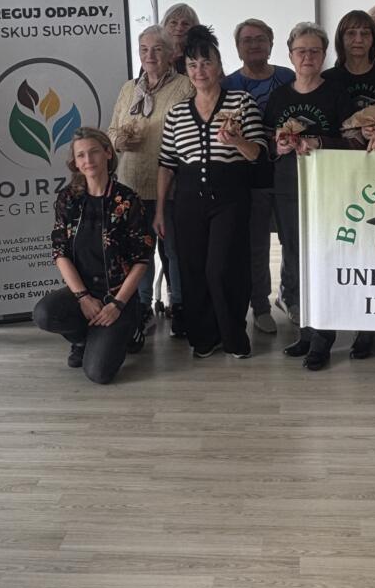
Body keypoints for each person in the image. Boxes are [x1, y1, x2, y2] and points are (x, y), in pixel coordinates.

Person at [155, 26, 266, 359]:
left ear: (219, 67)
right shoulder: (177, 113)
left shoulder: (241, 102)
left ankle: (233, 335)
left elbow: (258, 154)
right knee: (192, 269)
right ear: (186, 70)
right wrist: (160, 210)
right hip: (188, 200)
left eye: (206, 63)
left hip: (230, 197)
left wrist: (237, 141)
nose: (200, 70)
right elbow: (166, 165)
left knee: (222, 268)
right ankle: (204, 336)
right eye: (193, 65)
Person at [264, 22, 355, 371]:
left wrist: (319, 142)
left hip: (328, 190)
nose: (307, 57)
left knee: (323, 260)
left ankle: (323, 336)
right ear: (290, 55)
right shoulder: (279, 97)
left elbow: (355, 141)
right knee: (295, 258)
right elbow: (266, 143)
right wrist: (279, 145)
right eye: (301, 51)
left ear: (324, 55)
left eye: (314, 51)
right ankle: (305, 329)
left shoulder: (338, 94)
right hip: (288, 188)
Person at [32, 129, 152, 384]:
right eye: (81, 155)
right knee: (44, 314)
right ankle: (81, 340)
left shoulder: (128, 200)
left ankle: (131, 331)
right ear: (75, 163)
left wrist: (117, 305)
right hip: (83, 292)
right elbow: (60, 252)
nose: (88, 160)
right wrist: (83, 298)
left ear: (108, 153)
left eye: (94, 152)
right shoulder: (68, 198)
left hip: (118, 296)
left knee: (99, 374)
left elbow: (142, 259)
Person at [324, 9, 375, 359]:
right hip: (342, 172)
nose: (358, 40)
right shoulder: (329, 77)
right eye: (350, 33)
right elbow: (329, 125)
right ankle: (339, 314)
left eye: (365, 33)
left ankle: (368, 325)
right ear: (340, 39)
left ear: (374, 39)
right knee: (344, 244)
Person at [107, 24, 194, 342]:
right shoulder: (129, 88)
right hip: (130, 183)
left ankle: (180, 305)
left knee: (174, 250)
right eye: (144, 49)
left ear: (172, 53)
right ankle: (142, 306)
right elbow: (111, 131)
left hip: (170, 185)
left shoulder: (185, 86)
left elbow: (190, 132)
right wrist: (119, 141)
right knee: (138, 252)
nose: (150, 55)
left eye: (157, 49)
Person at [222, 18, 296, 334]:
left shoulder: (288, 77)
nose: (254, 45)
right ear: (237, 47)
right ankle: (260, 305)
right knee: (256, 245)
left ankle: (290, 296)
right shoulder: (228, 85)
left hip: (289, 172)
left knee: (292, 240)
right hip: (249, 176)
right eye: (247, 40)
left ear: (271, 43)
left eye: (260, 39)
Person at [161, 3, 200, 74]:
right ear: (164, 25)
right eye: (173, 22)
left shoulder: (199, 56)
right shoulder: (155, 56)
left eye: (185, 24)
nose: (179, 28)